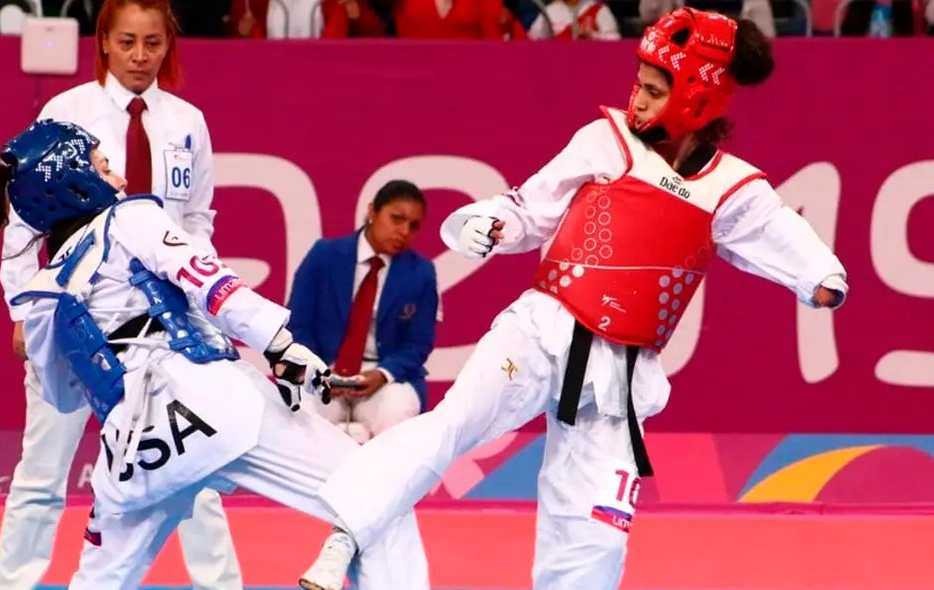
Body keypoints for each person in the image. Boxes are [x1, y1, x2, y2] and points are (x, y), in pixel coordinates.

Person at [299, 8, 849, 590]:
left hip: (618, 377)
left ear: (697, 99)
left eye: (655, 90)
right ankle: (344, 537)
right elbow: (528, 208)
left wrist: (822, 279)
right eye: (639, 82)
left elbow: (784, 237)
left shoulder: (733, 188)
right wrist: (491, 222)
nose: (637, 99)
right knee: (452, 425)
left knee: (597, 536)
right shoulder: (605, 140)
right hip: (542, 331)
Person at [0, 119, 430, 590]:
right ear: (74, 183)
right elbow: (210, 282)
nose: (120, 177)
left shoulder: (43, 293)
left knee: (98, 581)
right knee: (378, 498)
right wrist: (280, 346)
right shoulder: (131, 217)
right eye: (104, 167)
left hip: (134, 452)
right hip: (218, 407)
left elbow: (64, 398)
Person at [0, 1, 243, 588]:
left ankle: (221, 585)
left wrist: (200, 297)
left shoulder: (187, 121)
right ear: (104, 40)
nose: (139, 56)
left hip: (162, 326)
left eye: (152, 43)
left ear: (168, 44)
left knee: (194, 467)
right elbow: (24, 222)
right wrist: (21, 307)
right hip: (76, 315)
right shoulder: (67, 111)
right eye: (127, 42)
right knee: (42, 472)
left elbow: (196, 221)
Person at [289, 180, 437, 444]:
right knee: (302, 412)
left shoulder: (421, 273)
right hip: (323, 369)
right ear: (372, 211)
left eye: (414, 226)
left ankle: (387, 474)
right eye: (397, 219)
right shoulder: (323, 256)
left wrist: (383, 374)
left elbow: (419, 344)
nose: (404, 231)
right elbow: (296, 325)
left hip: (384, 376)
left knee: (397, 414)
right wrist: (318, 371)